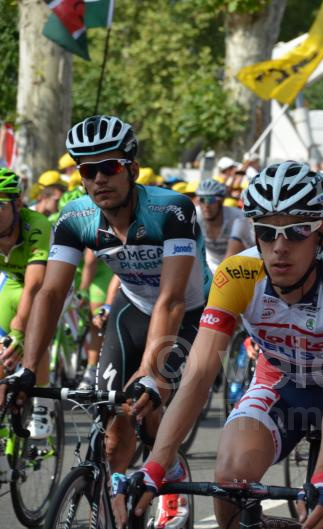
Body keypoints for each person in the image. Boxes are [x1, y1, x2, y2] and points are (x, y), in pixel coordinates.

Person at [111, 161, 323, 529]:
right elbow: (199, 373)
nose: (280, 247)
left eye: (297, 231)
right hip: (283, 381)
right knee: (230, 481)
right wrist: (156, 464)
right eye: (267, 232)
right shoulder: (238, 274)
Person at [6, 115, 211, 528]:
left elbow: (171, 299)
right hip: (132, 308)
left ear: (132, 169)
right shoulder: (74, 217)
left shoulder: (171, 210)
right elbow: (50, 293)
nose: (99, 178)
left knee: (146, 397)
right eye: (87, 170)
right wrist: (28, 367)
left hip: (187, 313)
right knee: (113, 430)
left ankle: (168, 471)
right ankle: (114, 505)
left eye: (110, 167)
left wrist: (152, 372)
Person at [0, 169, 51, 436]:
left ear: (18, 203)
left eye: (0, 204)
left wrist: (19, 331)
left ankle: (43, 405)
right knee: (1, 352)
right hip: (13, 283)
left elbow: (35, 286)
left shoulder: (36, 225)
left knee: (34, 330)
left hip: (50, 285)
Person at [195, 178, 243, 273]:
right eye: (202, 200)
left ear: (221, 201)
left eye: (211, 200)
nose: (206, 205)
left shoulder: (237, 217)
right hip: (209, 265)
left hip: (235, 265)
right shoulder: (194, 215)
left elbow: (234, 253)